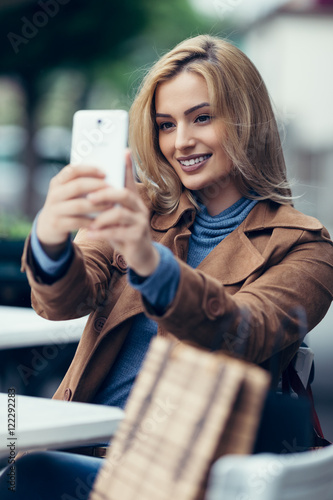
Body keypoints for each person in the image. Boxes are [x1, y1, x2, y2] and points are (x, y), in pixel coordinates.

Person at [2, 34, 333, 498]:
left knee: (28, 476)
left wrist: (147, 260)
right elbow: (63, 301)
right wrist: (50, 238)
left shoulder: (303, 245)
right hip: (86, 447)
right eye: (165, 124)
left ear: (247, 120)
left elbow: (241, 334)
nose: (181, 142)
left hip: (190, 469)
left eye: (202, 118)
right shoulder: (140, 208)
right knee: (22, 471)